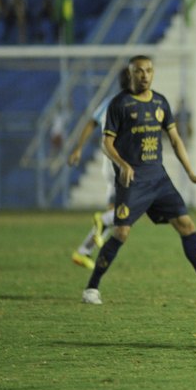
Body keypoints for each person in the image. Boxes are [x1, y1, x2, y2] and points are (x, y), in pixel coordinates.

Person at [81, 55, 196, 304]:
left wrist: (191, 173)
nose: (144, 75)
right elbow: (106, 143)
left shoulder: (160, 102)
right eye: (139, 71)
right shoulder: (119, 104)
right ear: (130, 74)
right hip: (132, 181)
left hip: (159, 179)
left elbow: (175, 140)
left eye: (148, 71)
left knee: (187, 225)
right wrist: (122, 165)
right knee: (121, 233)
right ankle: (91, 288)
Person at [68, 69, 131, 270]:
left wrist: (78, 148)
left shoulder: (109, 101)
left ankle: (83, 251)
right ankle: (102, 221)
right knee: (132, 210)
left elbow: (91, 122)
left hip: (110, 164)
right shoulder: (129, 104)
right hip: (121, 165)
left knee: (116, 214)